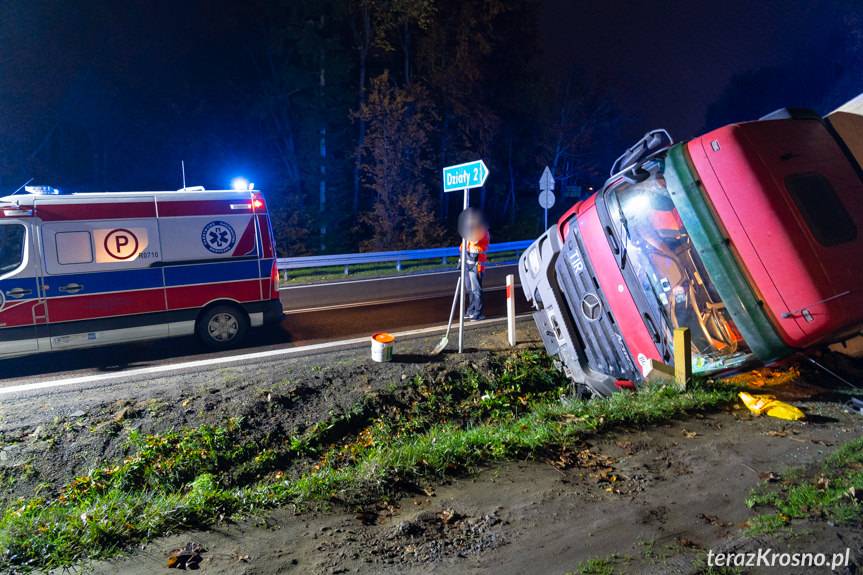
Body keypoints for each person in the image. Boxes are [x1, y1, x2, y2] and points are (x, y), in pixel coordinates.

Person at [461, 215, 489, 321]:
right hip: (469, 264)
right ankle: (471, 310)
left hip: (477, 265)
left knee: (476, 290)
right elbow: (463, 246)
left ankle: (479, 313)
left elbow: (475, 241)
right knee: (470, 289)